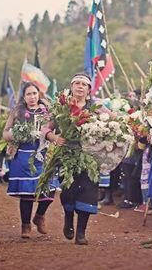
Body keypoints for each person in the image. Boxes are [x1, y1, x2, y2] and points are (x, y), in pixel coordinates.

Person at [45, 73, 99, 245]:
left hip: (90, 157)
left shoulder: (95, 107)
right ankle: (68, 219)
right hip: (67, 157)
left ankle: (81, 233)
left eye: (84, 84)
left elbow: (112, 119)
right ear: (71, 87)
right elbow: (46, 128)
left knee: (89, 192)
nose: (80, 86)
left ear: (89, 90)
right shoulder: (63, 107)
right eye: (77, 83)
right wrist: (54, 138)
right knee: (69, 191)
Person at [3, 82, 60, 239]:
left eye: (34, 93)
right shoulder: (17, 112)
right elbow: (5, 133)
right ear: (24, 96)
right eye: (28, 94)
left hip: (44, 154)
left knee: (50, 189)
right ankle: (25, 225)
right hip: (23, 155)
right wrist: (18, 134)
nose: (32, 97)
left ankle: (40, 216)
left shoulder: (48, 112)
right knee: (27, 192)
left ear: (39, 94)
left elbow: (57, 129)